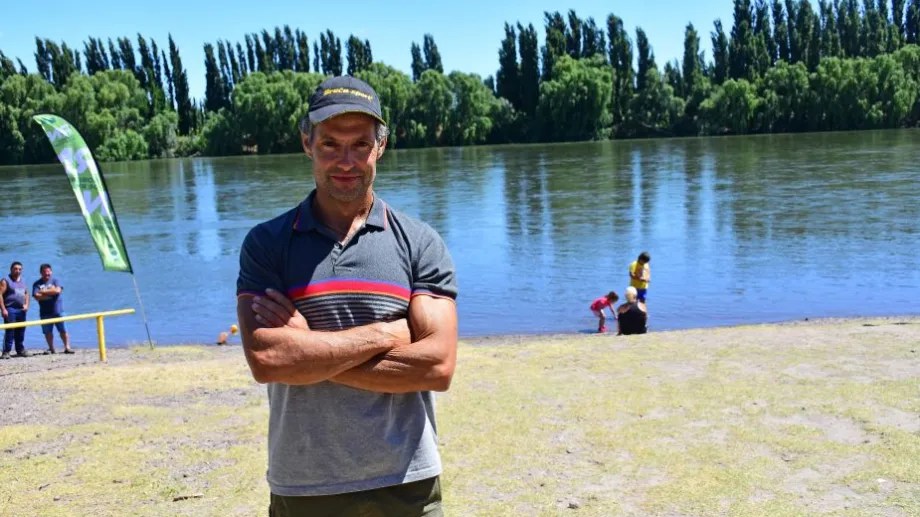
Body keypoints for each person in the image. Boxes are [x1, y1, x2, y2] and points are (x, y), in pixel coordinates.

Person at [236, 76, 458, 516]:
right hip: (304, 486)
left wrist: (308, 353)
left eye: (360, 145)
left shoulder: (419, 242)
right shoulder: (267, 244)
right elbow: (268, 361)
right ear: (307, 143)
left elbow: (437, 366)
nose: (346, 161)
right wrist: (386, 334)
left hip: (407, 483)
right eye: (330, 145)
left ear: (381, 146)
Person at [32, 263, 73, 354]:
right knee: (48, 332)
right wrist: (51, 294)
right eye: (45, 272)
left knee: (63, 330)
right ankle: (51, 348)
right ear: (41, 273)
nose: (47, 274)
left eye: (48, 272)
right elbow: (36, 296)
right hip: (45, 312)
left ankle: (67, 347)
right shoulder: (37, 283)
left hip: (58, 311)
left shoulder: (55, 281)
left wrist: (43, 291)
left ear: (51, 272)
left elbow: (57, 290)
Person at [1, 261, 30, 359]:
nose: (18, 271)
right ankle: (6, 352)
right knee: (10, 330)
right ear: (11, 269)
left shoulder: (23, 280)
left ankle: (20, 350)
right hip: (10, 309)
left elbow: (26, 293)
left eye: (20, 269)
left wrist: (26, 305)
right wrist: (3, 309)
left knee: (21, 330)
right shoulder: (5, 281)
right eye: (15, 269)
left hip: (21, 309)